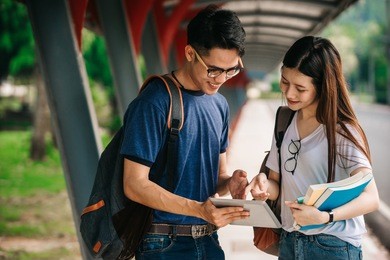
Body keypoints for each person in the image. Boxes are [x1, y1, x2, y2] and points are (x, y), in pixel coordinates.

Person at [120, 4, 249, 259]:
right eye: (213, 69)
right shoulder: (155, 101)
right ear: (190, 53)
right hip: (163, 243)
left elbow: (217, 180)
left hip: (209, 239)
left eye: (231, 70)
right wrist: (198, 209)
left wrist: (230, 183)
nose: (221, 79)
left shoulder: (219, 104)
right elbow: (134, 184)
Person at [245, 36, 379, 259]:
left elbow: (371, 198)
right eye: (284, 81)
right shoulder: (284, 121)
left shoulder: (341, 131)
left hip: (332, 245)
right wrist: (263, 185)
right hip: (289, 241)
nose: (289, 93)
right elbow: (277, 185)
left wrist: (326, 216)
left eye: (300, 88)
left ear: (323, 86)